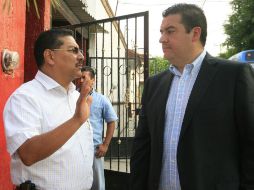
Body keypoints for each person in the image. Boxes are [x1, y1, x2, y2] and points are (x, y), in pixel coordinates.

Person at [130, 3, 254, 190]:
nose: (162, 39)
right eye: (162, 31)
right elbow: (143, 145)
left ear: (195, 33)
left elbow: (250, 142)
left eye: (170, 31)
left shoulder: (233, 75)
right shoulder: (154, 84)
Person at [3, 28, 94, 190]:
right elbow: (28, 154)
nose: (81, 56)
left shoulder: (75, 97)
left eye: (80, 51)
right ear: (50, 56)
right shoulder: (25, 97)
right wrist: (77, 120)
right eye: (74, 50)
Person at [81, 66, 118, 190]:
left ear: (93, 80)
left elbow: (112, 121)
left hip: (95, 149)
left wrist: (105, 145)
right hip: (75, 149)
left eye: (84, 78)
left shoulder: (101, 100)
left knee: (97, 184)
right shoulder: (72, 96)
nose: (81, 81)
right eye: (80, 78)